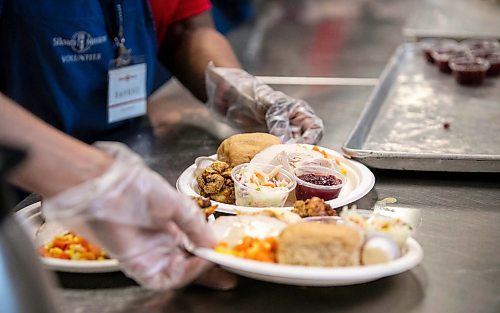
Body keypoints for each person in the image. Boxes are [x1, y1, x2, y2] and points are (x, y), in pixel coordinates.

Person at [0, 0, 324, 290]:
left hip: (131, 149)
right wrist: (87, 176)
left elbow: (185, 28)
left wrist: (236, 92)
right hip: (13, 189)